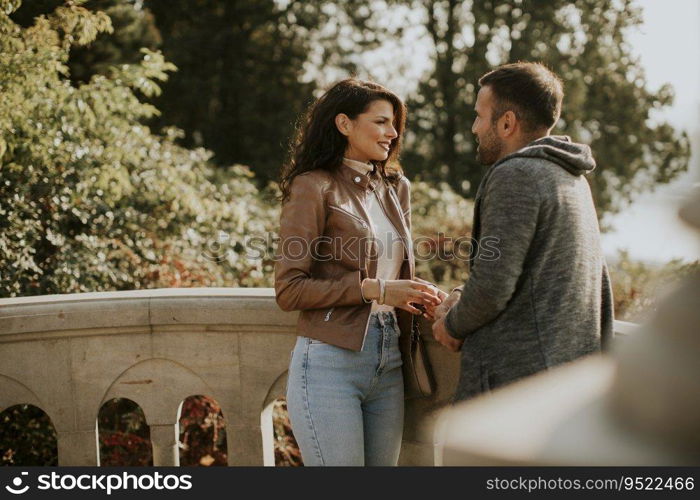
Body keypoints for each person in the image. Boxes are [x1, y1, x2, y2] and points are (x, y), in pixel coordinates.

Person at [275, 78, 445, 466]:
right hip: (329, 362)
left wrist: (421, 292)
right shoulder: (312, 187)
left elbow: (391, 265)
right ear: (344, 124)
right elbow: (289, 290)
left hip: (390, 360)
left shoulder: (395, 187)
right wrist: (377, 289)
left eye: (395, 123)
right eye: (382, 122)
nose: (393, 133)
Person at [432, 62, 614, 402]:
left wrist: (451, 325)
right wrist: (462, 293)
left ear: (506, 122)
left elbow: (493, 286)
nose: (474, 127)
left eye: (479, 116)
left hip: (514, 388)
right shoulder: (571, 176)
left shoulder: (516, 175)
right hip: (564, 382)